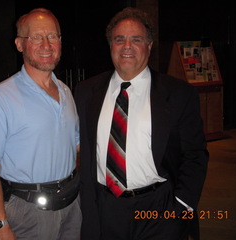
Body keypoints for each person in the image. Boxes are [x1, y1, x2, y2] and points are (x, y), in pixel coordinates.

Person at [74, 7, 208, 240]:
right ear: (110, 46)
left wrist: (181, 206)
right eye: (119, 39)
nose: (127, 46)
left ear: (149, 45)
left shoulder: (178, 94)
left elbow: (195, 155)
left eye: (136, 39)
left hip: (159, 208)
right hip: (105, 206)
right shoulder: (86, 92)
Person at [0, 8, 81, 240]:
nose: (46, 44)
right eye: (36, 37)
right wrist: (0, 226)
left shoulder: (66, 92)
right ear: (19, 44)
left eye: (53, 36)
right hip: (29, 212)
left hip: (72, 206)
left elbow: (76, 147)